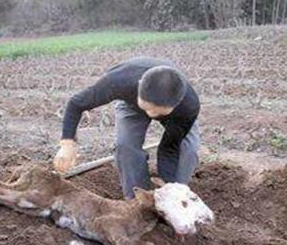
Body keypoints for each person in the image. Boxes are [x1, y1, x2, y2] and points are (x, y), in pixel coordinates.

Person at [54, 57, 200, 199]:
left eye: (158, 111)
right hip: (131, 104)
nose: (151, 114)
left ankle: (176, 194)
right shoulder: (118, 82)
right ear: (139, 85)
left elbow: (170, 148)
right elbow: (76, 104)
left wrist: (168, 183)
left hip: (175, 114)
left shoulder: (188, 106)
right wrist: (67, 144)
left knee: (187, 150)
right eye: (148, 107)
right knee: (126, 146)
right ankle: (137, 198)